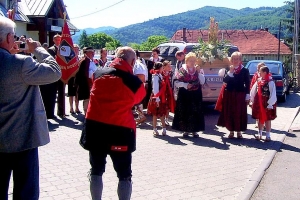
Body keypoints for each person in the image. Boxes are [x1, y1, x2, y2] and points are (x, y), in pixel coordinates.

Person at [0, 16, 61, 200]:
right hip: (23, 139)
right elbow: (55, 72)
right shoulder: (20, 63)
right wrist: (38, 49)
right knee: (26, 192)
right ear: (9, 38)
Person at [79, 46, 146, 200]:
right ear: (133, 61)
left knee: (96, 170)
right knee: (124, 175)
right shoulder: (134, 83)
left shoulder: (98, 73)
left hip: (94, 127)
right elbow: (138, 99)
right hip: (120, 130)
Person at [217, 51, 250, 139]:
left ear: (240, 60)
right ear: (231, 60)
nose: (235, 60)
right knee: (230, 112)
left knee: (239, 113)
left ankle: (239, 132)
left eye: (237, 59)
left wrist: (247, 95)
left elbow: (247, 84)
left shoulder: (245, 70)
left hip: (240, 94)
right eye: (234, 59)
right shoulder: (228, 70)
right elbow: (225, 82)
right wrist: (230, 72)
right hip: (229, 94)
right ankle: (231, 131)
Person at [172, 52, 205, 138]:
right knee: (185, 111)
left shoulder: (198, 70)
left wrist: (199, 72)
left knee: (195, 111)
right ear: (186, 61)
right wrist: (185, 85)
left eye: (194, 60)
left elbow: (202, 81)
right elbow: (176, 82)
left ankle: (194, 130)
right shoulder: (182, 70)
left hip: (195, 94)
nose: (192, 62)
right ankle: (186, 130)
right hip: (185, 94)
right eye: (190, 60)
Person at [250, 66, 277, 141]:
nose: (258, 73)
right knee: (259, 118)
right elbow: (253, 91)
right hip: (259, 102)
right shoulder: (258, 80)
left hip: (267, 103)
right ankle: (260, 134)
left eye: (260, 72)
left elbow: (273, 93)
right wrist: (251, 100)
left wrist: (270, 104)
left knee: (268, 119)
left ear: (265, 73)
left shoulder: (270, 82)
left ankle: (268, 136)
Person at [39, 34, 61, 119]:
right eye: (57, 40)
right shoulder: (51, 50)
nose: (59, 41)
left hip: (61, 74)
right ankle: (49, 113)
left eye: (60, 39)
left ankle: (56, 112)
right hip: (53, 73)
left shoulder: (63, 49)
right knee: (51, 94)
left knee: (56, 94)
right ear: (54, 41)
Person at [147, 62, 168, 136]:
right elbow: (155, 88)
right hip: (157, 97)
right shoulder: (155, 76)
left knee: (162, 113)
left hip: (160, 96)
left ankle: (164, 129)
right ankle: (155, 129)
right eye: (162, 67)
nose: (163, 69)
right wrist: (157, 99)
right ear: (159, 68)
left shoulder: (159, 75)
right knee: (155, 114)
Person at [75, 46, 97, 116]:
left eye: (93, 53)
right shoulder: (84, 61)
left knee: (88, 98)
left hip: (89, 82)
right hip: (86, 83)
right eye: (91, 52)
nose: (92, 54)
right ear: (87, 53)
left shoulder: (89, 61)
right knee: (86, 98)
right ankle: (86, 113)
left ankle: (88, 112)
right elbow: (86, 73)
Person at [133, 50, 148, 125]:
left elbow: (141, 76)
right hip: (139, 84)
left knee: (137, 102)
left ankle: (141, 116)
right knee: (137, 102)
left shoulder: (138, 64)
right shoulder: (138, 63)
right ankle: (140, 116)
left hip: (138, 85)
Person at [250, 62, 266, 128]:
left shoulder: (267, 75)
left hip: (264, 95)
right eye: (258, 67)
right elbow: (252, 84)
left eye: (261, 67)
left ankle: (263, 123)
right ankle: (257, 122)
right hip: (256, 95)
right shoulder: (255, 75)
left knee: (264, 109)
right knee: (256, 109)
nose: (259, 69)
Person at [68, 44, 81, 114]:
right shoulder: (70, 58)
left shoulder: (79, 58)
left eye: (77, 49)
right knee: (71, 94)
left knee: (77, 94)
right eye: (75, 49)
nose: (76, 51)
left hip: (78, 78)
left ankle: (77, 107)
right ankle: (71, 108)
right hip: (71, 78)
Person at [162, 60, 176, 126]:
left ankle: (166, 119)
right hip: (163, 91)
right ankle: (162, 119)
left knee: (168, 106)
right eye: (168, 66)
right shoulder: (161, 73)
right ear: (164, 67)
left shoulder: (171, 73)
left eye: (170, 65)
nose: (169, 67)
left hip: (169, 91)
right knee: (163, 105)